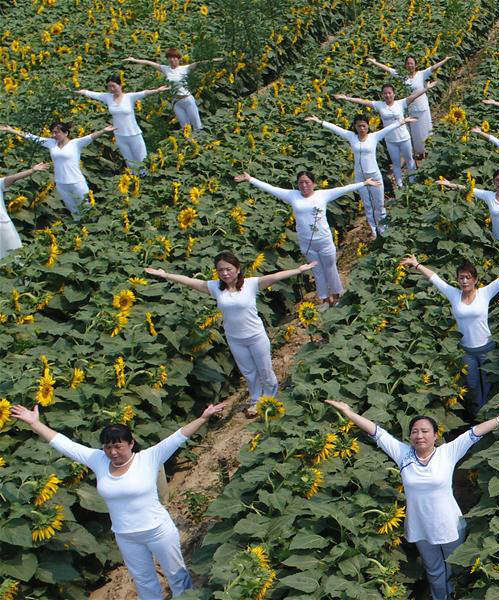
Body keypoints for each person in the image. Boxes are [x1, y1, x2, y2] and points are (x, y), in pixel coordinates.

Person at [10, 401, 228, 600]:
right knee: (144, 583)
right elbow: (66, 445)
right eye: (108, 447)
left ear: (131, 443)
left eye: (118, 446)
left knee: (177, 577)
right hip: (126, 536)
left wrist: (203, 418)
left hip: (158, 531)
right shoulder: (98, 460)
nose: (113, 452)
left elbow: (178, 436)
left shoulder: (148, 458)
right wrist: (35, 423)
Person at [323, 398, 499, 600]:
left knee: (456, 569)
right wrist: (348, 412)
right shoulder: (403, 454)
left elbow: (474, 433)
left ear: (435, 435)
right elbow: (377, 432)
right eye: (414, 431)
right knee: (434, 570)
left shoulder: (447, 453)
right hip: (420, 527)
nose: (419, 435)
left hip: (449, 526)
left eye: (425, 431)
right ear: (410, 436)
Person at [145, 253, 316, 416]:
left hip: (256, 336)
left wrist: (298, 270)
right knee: (249, 372)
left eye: (229, 269)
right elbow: (191, 281)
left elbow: (275, 276)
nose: (225, 273)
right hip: (235, 339)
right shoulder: (215, 288)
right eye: (221, 270)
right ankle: (256, 401)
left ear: (238, 269)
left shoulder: (250, 284)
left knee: (265, 369)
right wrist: (166, 275)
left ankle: (271, 399)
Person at [399, 255, 499, 412]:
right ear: (457, 280)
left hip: (487, 349)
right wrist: (417, 265)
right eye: (461, 278)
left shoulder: (484, 293)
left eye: (468, 277)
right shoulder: (454, 294)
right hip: (466, 351)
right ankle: (477, 415)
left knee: (488, 383)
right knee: (472, 384)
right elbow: (435, 278)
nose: (464, 281)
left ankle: (488, 414)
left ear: (475, 279)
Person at [234, 171, 379, 305]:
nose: (304, 185)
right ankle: (324, 298)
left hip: (324, 240)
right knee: (317, 270)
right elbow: (271, 189)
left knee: (330, 268)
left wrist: (364, 183)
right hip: (306, 243)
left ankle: (336, 295)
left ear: (314, 184)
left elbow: (344, 189)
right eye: (301, 183)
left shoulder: (322, 195)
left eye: (307, 182)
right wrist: (250, 179)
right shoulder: (292, 195)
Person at [306, 114, 414, 238]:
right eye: (359, 126)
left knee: (379, 204)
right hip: (360, 177)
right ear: (355, 127)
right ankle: (374, 230)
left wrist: (403, 121)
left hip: (374, 175)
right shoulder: (352, 137)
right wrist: (320, 121)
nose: (362, 129)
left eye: (364, 126)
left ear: (368, 126)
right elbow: (337, 129)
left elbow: (389, 128)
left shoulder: (374, 136)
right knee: (367, 205)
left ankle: (384, 229)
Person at [0, 122, 115, 218]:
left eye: (57, 132)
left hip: (77, 182)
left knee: (88, 208)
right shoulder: (51, 143)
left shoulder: (76, 143)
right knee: (74, 211)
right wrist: (11, 130)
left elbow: (91, 136)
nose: (54, 135)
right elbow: (32, 137)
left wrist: (104, 131)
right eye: (53, 132)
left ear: (66, 133)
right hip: (61, 183)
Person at [333, 81, 436, 187]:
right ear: (382, 95)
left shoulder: (400, 103)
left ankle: (413, 183)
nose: (387, 95)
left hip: (404, 138)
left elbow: (413, 96)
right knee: (396, 164)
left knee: (410, 160)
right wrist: (346, 98)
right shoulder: (380, 105)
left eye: (389, 93)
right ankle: (400, 186)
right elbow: (363, 101)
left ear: (394, 94)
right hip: (390, 140)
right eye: (385, 93)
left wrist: (426, 88)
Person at [75, 74, 169, 170]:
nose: (111, 89)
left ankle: (145, 178)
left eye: (113, 86)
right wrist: (82, 91)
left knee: (142, 160)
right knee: (129, 162)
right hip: (119, 135)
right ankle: (134, 178)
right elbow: (95, 94)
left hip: (134, 134)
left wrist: (157, 90)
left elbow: (144, 93)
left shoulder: (129, 97)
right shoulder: (108, 97)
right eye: (109, 87)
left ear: (120, 85)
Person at [367, 55, 451, 157]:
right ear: (405, 65)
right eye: (407, 63)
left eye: (411, 63)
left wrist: (445, 60)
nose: (409, 65)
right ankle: (419, 152)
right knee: (415, 132)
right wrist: (375, 62)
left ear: (416, 65)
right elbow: (389, 70)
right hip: (411, 108)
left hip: (423, 107)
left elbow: (433, 67)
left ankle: (429, 150)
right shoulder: (404, 77)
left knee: (426, 129)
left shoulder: (421, 74)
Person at [124, 50, 224, 132]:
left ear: (178, 59)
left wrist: (213, 60)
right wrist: (134, 60)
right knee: (185, 128)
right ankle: (189, 145)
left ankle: (201, 145)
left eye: (174, 57)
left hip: (188, 100)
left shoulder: (185, 68)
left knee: (197, 126)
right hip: (176, 103)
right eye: (170, 58)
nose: (172, 60)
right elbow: (149, 63)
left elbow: (199, 63)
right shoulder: (165, 69)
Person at [0, 162, 49, 258]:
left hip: (3, 225)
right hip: (4, 224)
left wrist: (32, 170)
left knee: (16, 254)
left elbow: (14, 178)